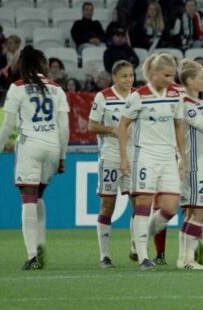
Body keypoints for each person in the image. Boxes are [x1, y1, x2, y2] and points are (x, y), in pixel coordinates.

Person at [0, 45, 70, 270]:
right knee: (39, 195)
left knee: (27, 198)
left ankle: (32, 254)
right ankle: (41, 242)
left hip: (30, 146)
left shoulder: (17, 88)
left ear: (22, 65)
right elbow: (64, 127)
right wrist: (62, 156)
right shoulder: (57, 89)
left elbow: (8, 125)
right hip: (53, 147)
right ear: (42, 65)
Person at [117, 53, 186, 271]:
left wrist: (182, 156)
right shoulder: (139, 96)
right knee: (143, 204)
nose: (170, 79)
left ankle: (139, 238)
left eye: (172, 75)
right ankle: (143, 257)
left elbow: (178, 126)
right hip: (145, 155)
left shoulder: (176, 95)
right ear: (154, 73)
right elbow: (122, 126)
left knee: (169, 208)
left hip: (168, 156)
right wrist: (124, 157)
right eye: (166, 75)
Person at [88, 61, 135, 268]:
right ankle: (104, 255)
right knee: (108, 205)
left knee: (139, 202)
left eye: (131, 75)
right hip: (110, 156)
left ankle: (136, 247)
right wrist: (112, 130)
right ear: (115, 78)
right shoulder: (103, 97)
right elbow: (91, 125)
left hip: (134, 156)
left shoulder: (138, 96)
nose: (129, 79)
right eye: (124, 76)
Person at [176, 59, 203, 270]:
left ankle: (184, 258)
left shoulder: (198, 103)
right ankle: (188, 259)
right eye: (201, 77)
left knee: (191, 213)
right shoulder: (187, 104)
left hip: (199, 162)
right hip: (194, 164)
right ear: (190, 80)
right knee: (199, 212)